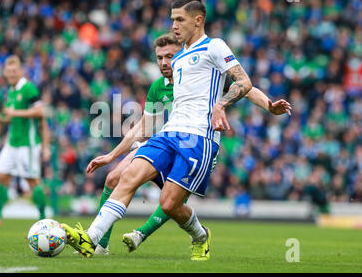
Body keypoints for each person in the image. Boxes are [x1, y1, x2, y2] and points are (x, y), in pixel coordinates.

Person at [63, 0, 271, 260]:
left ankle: (199, 234)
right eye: (172, 19)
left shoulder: (214, 47)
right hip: (169, 134)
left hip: (198, 138)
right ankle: (92, 239)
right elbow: (145, 124)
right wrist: (113, 155)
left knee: (170, 204)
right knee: (125, 176)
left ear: (198, 20)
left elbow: (244, 82)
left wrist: (224, 104)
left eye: (179, 19)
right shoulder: (179, 60)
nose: (174, 25)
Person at [86, 33, 292, 255]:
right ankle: (100, 244)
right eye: (159, 58)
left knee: (170, 203)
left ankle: (149, 233)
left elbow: (247, 89)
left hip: (196, 144)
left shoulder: (202, 77)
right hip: (167, 140)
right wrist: (111, 156)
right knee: (113, 177)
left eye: (170, 56)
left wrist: (269, 106)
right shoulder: (159, 87)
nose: (164, 63)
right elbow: (143, 128)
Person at [0, 55, 50, 229]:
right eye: (9, 71)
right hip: (11, 144)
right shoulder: (11, 91)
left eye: (15, 71)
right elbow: (9, 116)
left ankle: (44, 220)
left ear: (20, 71)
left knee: (33, 182)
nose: (12, 74)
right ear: (5, 73)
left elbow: (40, 112)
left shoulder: (28, 88)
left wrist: (45, 146)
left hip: (27, 145)